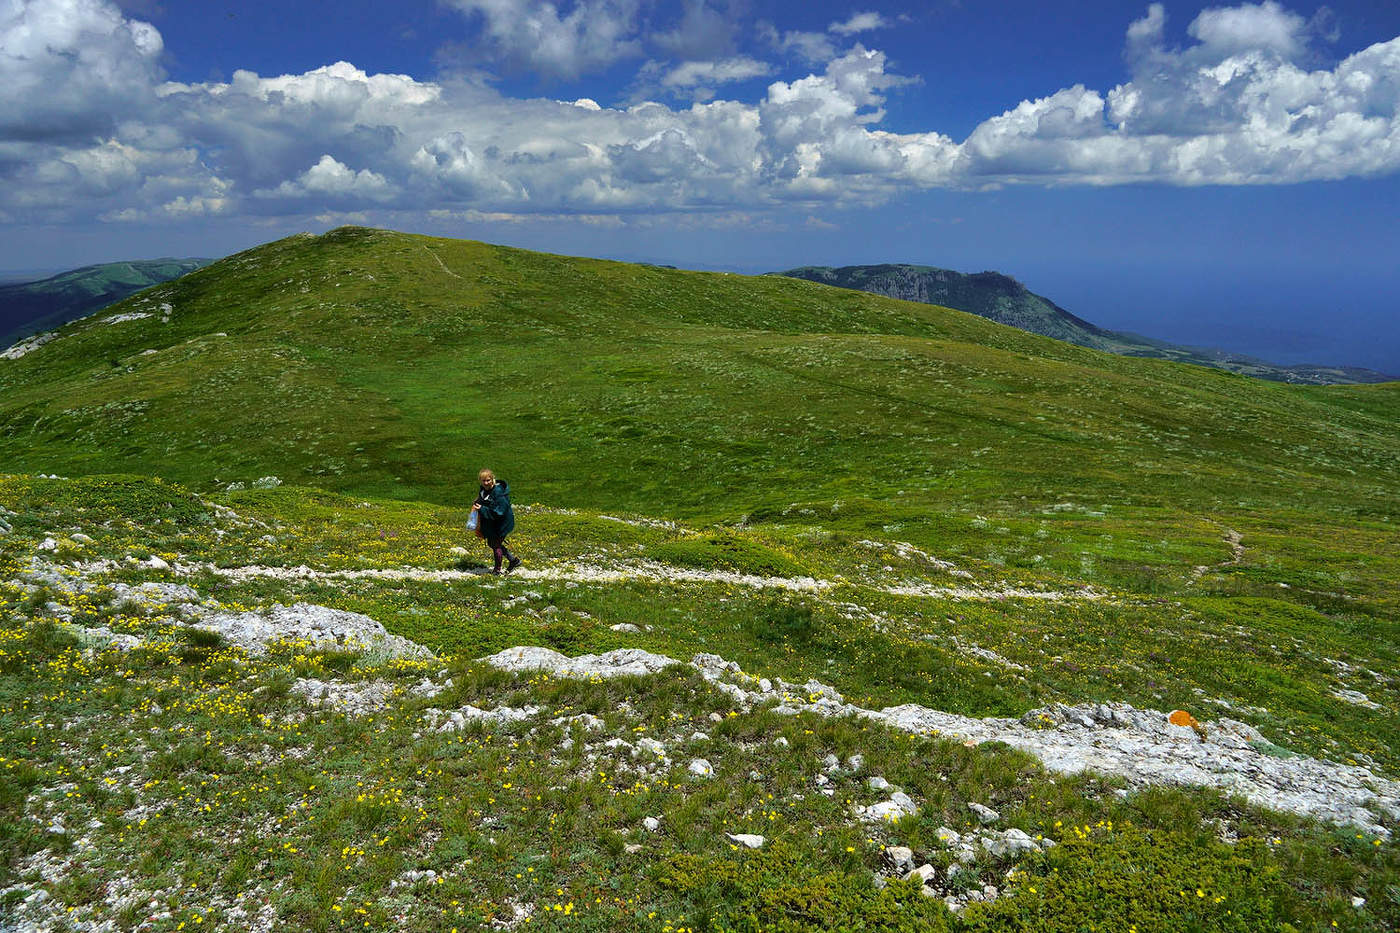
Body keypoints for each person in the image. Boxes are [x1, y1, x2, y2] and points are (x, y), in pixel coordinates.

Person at [472, 468, 519, 575]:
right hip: (493, 523)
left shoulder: (498, 492)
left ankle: (497, 570)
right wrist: (477, 502)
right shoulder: (484, 490)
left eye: (488, 480)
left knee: (496, 544)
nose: (486, 483)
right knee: (492, 543)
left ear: (493, 479)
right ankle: (513, 560)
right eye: (483, 481)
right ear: (480, 481)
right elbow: (484, 499)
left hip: (502, 523)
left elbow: (499, 512)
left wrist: (482, 509)